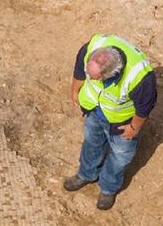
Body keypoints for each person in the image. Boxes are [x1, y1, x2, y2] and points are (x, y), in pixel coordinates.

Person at [63, 33, 156, 210]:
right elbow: (78, 71)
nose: (91, 79)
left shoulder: (141, 77)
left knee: (120, 156)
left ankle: (108, 188)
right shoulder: (92, 47)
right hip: (94, 111)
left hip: (121, 122)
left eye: (95, 78)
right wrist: (75, 91)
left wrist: (134, 128)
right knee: (92, 142)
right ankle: (86, 174)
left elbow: (145, 106)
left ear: (111, 74)